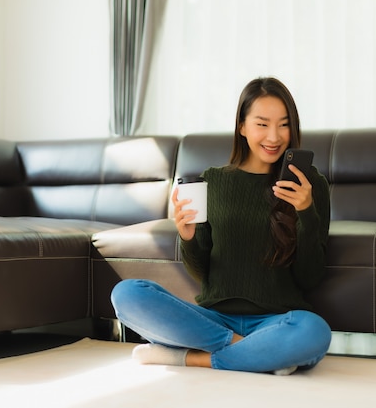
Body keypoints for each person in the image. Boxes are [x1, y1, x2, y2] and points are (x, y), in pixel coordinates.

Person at [110, 77, 331, 375]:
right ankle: (256, 350)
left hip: (276, 319)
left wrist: (306, 211)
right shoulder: (213, 180)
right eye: (262, 124)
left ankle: (190, 357)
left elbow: (311, 277)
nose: (274, 136)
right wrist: (187, 238)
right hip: (214, 318)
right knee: (126, 294)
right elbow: (201, 272)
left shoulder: (310, 183)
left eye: (284, 124)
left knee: (313, 331)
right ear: (242, 126)